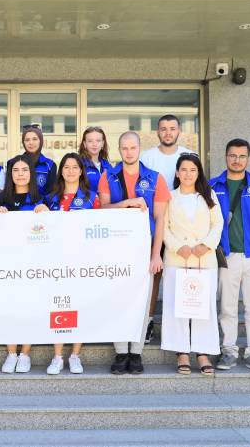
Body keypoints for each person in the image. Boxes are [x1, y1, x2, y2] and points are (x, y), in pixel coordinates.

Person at [98, 131, 168, 375]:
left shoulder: (155, 178)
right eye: (124, 148)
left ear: (140, 149)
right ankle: (121, 352)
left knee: (143, 300)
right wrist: (125, 204)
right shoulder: (108, 176)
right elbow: (103, 209)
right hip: (115, 248)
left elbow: (160, 219)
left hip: (144, 249)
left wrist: (156, 254)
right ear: (119, 149)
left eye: (133, 148)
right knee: (118, 299)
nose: (129, 152)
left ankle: (136, 352)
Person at [209, 138, 250, 373]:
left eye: (242, 156)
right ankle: (229, 351)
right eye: (233, 155)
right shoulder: (212, 185)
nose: (237, 160)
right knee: (227, 307)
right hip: (226, 256)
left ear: (248, 158)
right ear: (226, 156)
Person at [162, 153, 222, 376]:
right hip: (177, 258)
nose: (188, 174)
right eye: (184, 170)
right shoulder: (169, 196)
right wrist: (178, 246)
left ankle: (203, 353)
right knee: (176, 307)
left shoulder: (208, 195)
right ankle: (182, 353)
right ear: (177, 173)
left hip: (203, 259)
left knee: (203, 307)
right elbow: (164, 227)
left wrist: (205, 245)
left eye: (193, 170)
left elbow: (218, 223)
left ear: (199, 173)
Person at [139, 115, 194, 344]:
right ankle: (148, 321)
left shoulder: (189, 155)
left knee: (180, 276)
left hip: (181, 225)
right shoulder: (147, 157)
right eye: (163, 129)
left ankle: (183, 323)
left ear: (179, 131)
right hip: (154, 224)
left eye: (172, 128)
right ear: (157, 132)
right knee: (152, 276)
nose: (168, 133)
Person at [45, 153, 99, 375]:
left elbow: (99, 228)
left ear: (81, 171)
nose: (70, 171)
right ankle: (57, 357)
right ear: (61, 171)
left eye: (75, 167)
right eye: (66, 167)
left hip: (82, 262)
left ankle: (75, 355)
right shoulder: (51, 198)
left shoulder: (91, 198)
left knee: (80, 306)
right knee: (59, 306)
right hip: (56, 262)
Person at [0, 155, 48, 373]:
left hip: (33, 263)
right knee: (9, 308)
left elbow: (51, 230)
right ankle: (11, 353)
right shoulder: (1, 199)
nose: (20, 174)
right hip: (8, 263)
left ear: (31, 173)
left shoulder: (40, 199)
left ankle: (25, 354)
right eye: (15, 170)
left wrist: (46, 214)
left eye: (24, 170)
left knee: (30, 308)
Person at [5, 124, 56, 197]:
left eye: (34, 139)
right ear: (23, 142)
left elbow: (51, 193)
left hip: (41, 204)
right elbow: (9, 189)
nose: (31, 143)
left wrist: (41, 203)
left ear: (41, 141)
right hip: (17, 203)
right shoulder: (12, 163)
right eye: (27, 140)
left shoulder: (50, 165)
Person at [78, 126, 113, 193]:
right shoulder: (79, 164)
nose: (94, 144)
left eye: (98, 141)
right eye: (90, 141)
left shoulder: (107, 165)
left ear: (102, 144)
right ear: (85, 144)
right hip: (87, 200)